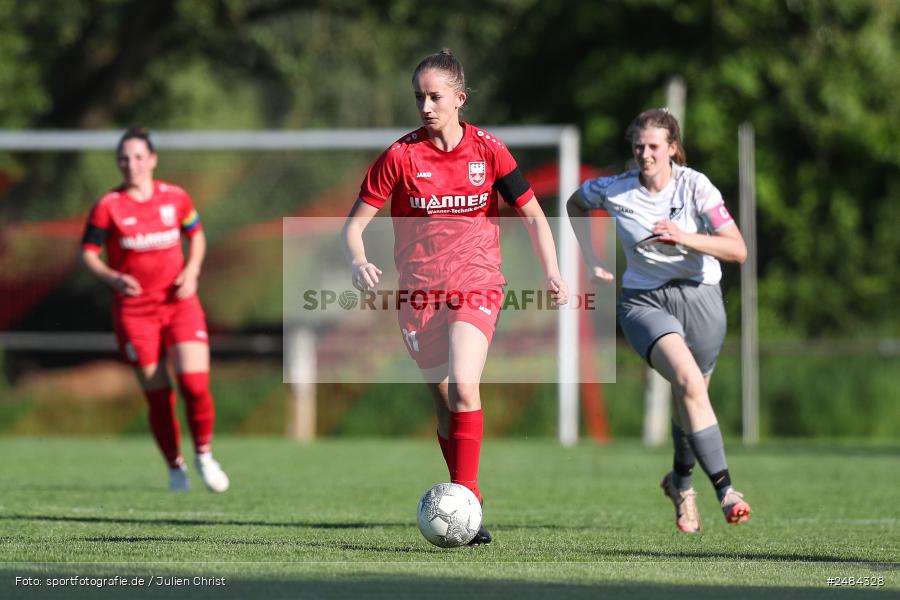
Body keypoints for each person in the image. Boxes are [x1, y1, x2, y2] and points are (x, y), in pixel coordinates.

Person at [342, 49, 568, 546]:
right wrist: (358, 260)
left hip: (477, 282)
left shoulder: (489, 151)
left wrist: (553, 271)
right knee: (446, 403)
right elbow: (353, 227)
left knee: (466, 385)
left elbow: (533, 214)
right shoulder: (400, 157)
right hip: (418, 295)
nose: (425, 106)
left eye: (435, 97)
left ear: (460, 98)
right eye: (418, 97)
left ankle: (465, 500)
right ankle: (469, 501)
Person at [567, 108, 751, 532]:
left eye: (653, 146)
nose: (645, 154)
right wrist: (591, 258)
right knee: (687, 381)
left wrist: (685, 237)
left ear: (672, 148)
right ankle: (726, 491)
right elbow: (575, 203)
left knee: (692, 399)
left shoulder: (696, 186)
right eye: (638, 146)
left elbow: (737, 249)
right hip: (644, 302)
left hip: (701, 299)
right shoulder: (614, 189)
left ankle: (680, 483)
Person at [80, 127, 229, 493]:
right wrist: (112, 277)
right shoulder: (108, 206)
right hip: (135, 313)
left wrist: (192, 271)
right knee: (159, 396)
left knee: (195, 385)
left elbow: (196, 234)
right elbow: (88, 253)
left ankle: (204, 455)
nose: (131, 164)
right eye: (124, 158)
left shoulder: (176, 198)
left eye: (138, 157)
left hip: (179, 305)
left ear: (152, 160)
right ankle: (175, 466)